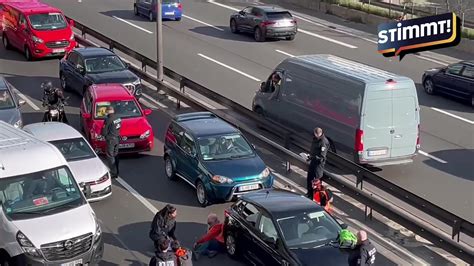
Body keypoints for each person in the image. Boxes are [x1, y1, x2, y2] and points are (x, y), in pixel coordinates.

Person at [306, 127, 330, 199]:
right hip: (313, 161)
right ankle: (309, 193)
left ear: (319, 134)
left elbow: (322, 157)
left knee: (317, 181)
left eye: (316, 134)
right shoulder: (315, 139)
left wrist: (313, 157)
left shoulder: (323, 142)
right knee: (309, 178)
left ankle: (316, 196)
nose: (315, 135)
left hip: (318, 165)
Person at [101, 106, 121, 178]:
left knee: (110, 156)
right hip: (117, 139)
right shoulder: (118, 118)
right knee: (116, 155)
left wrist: (104, 135)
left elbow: (104, 131)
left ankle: (113, 172)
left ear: (108, 111)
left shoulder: (108, 119)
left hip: (111, 140)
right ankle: (117, 170)